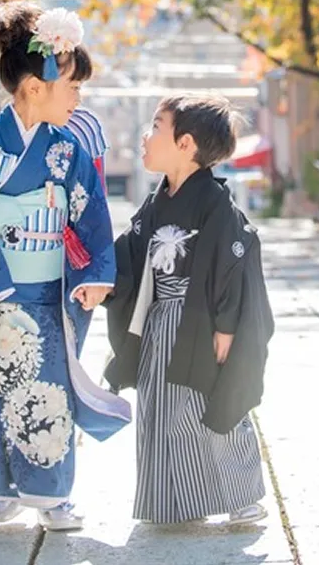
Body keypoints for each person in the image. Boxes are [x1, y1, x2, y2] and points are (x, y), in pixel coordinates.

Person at [0, 2, 130, 530]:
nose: (78, 99)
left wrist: (93, 275)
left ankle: (51, 495)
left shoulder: (68, 149)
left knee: (47, 393)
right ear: (35, 87)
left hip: (47, 294)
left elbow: (91, 213)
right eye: (72, 88)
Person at [104, 95, 274, 526]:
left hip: (199, 319)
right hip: (160, 322)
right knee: (161, 413)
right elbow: (126, 254)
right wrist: (98, 282)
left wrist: (228, 323)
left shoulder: (216, 204)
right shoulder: (157, 201)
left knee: (206, 409)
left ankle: (242, 494)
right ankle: (174, 502)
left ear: (185, 144)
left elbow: (233, 260)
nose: (146, 137)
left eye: (155, 127)